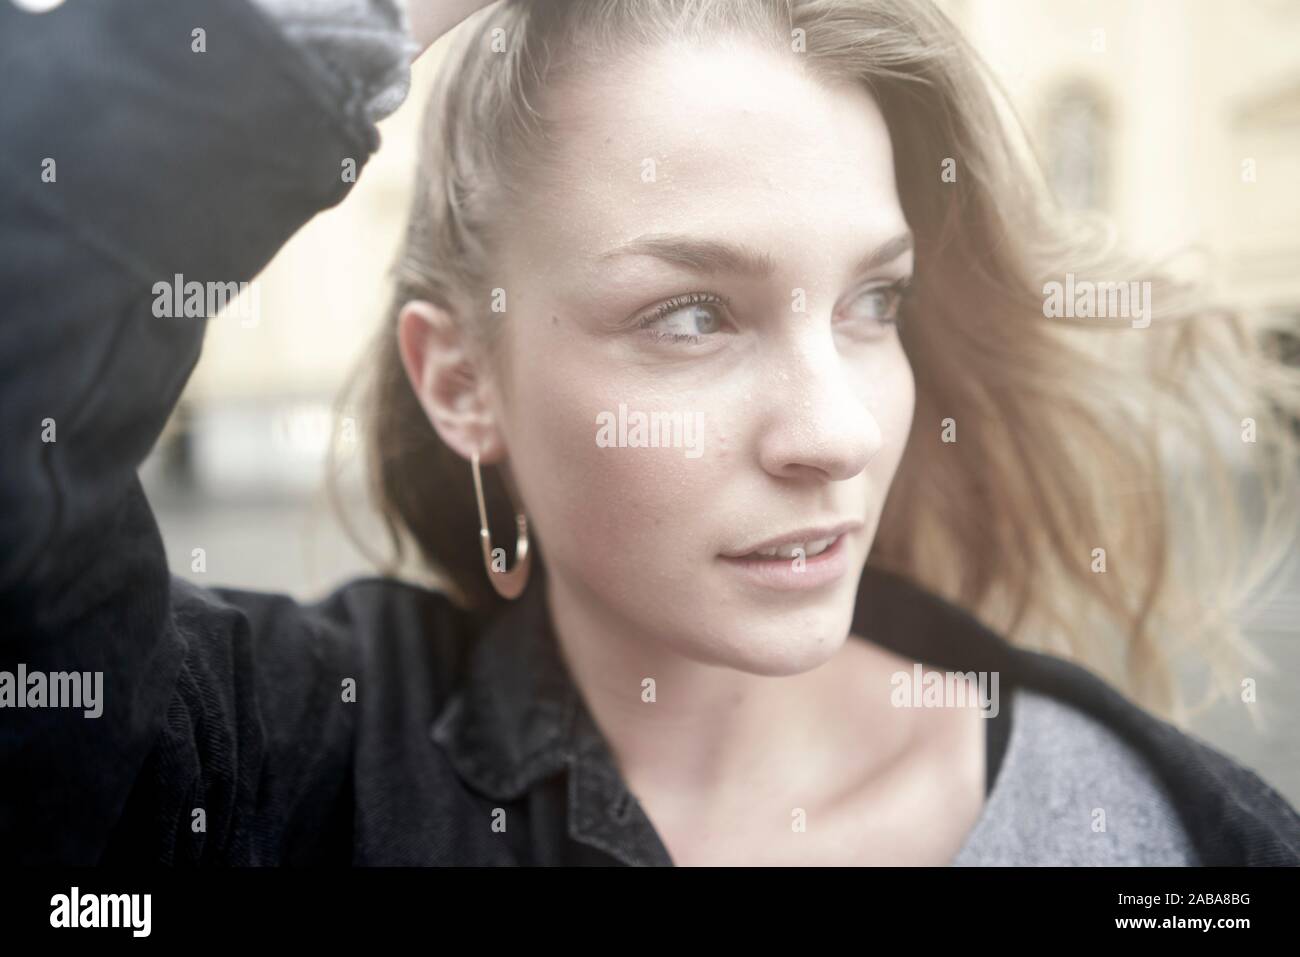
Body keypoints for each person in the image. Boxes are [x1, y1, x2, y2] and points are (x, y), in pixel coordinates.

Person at [2, 0, 1297, 866]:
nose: (835, 430)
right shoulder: (292, 777)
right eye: (691, 314)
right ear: (462, 381)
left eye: (875, 301)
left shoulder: (1176, 836)